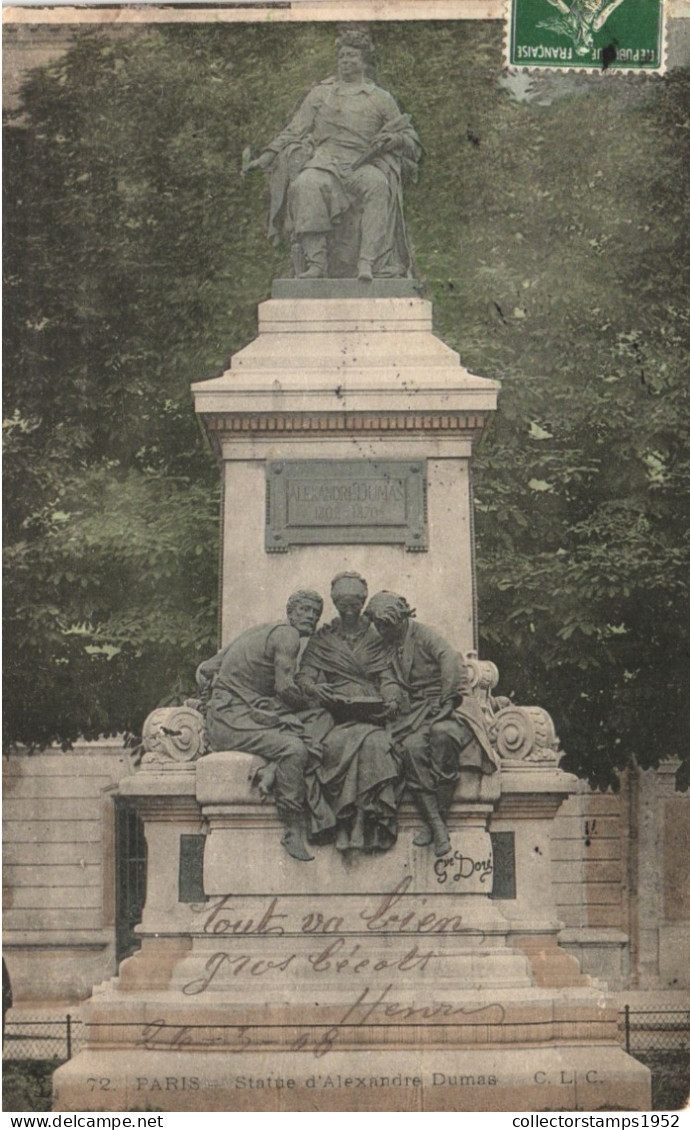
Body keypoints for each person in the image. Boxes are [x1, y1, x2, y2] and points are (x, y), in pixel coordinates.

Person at [244, 28, 422, 280]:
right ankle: (316, 264)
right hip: (325, 163)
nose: (346, 61)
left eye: (352, 57)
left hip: (362, 165)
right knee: (306, 184)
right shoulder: (320, 94)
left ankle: (367, 262)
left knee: (378, 185)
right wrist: (267, 155)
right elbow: (295, 129)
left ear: (364, 62)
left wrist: (392, 139)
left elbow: (411, 140)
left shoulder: (380, 98)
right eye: (342, 56)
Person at [365, 591, 499, 857]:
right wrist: (391, 696)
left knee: (443, 735)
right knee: (411, 749)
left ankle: (439, 817)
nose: (380, 630)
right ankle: (436, 825)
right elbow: (388, 676)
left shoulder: (423, 635)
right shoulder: (387, 644)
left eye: (385, 625)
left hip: (453, 705)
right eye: (378, 625)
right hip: (417, 713)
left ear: (401, 620)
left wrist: (447, 701)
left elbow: (449, 660)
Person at [196, 590, 324, 862]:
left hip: (233, 713)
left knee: (302, 725)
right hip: (233, 721)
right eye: (305, 610)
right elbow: (285, 687)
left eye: (315, 612)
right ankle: (292, 829)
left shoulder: (259, 631)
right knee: (295, 748)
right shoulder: (288, 637)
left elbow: (205, 669)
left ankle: (271, 770)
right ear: (291, 613)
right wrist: (314, 702)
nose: (310, 616)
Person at [297, 572, 403, 852]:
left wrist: (391, 699)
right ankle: (343, 824)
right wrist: (315, 689)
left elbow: (388, 679)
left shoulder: (376, 637)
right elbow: (305, 677)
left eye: (355, 602)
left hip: (371, 713)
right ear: (335, 603)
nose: (349, 608)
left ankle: (358, 823)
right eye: (343, 602)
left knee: (377, 743)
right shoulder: (323, 639)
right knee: (333, 745)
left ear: (363, 602)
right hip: (335, 714)